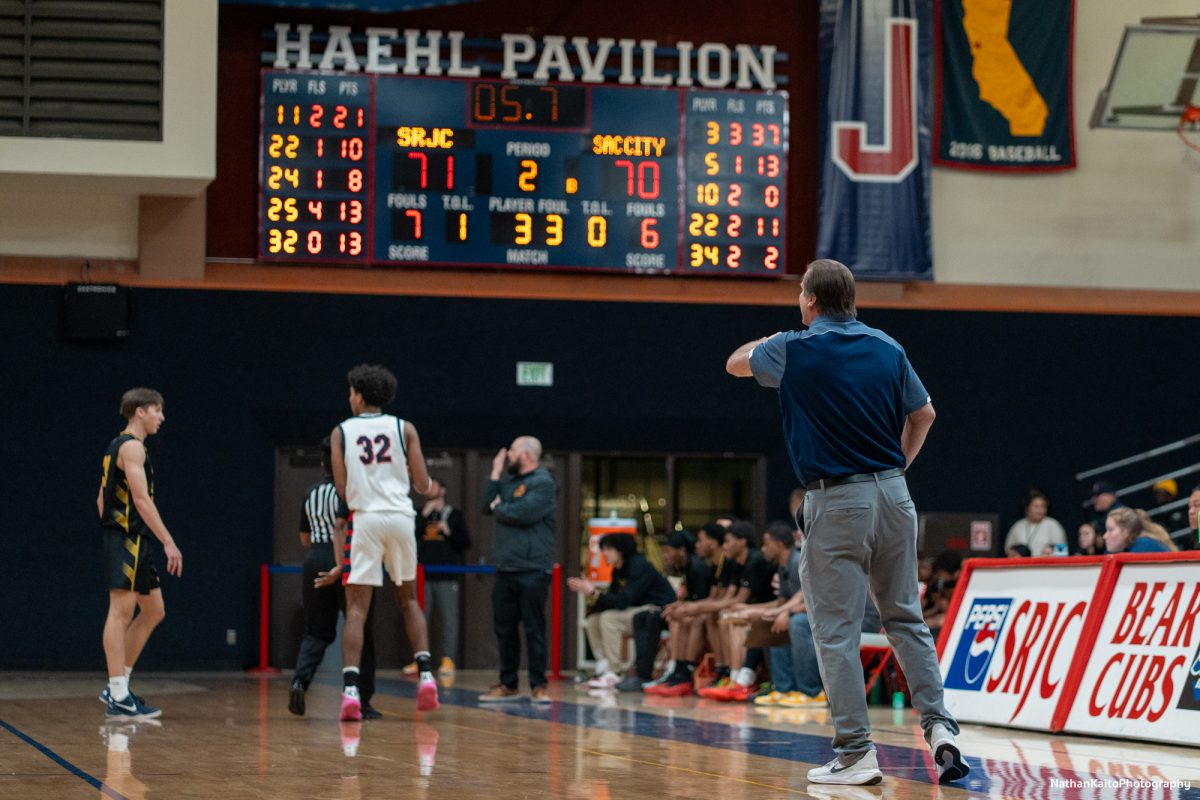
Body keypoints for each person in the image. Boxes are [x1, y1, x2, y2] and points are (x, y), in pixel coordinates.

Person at [726, 259, 968, 786]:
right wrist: (897, 467)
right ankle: (941, 728)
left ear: (810, 300)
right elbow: (924, 415)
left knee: (834, 632)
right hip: (895, 495)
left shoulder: (792, 347)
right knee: (906, 619)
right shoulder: (887, 346)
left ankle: (856, 753)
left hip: (837, 501)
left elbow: (734, 364)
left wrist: (767, 337)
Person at [331, 364, 438, 720]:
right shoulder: (404, 428)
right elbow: (423, 486)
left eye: (350, 392)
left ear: (359, 395)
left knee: (357, 609)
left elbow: (343, 490)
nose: (350, 398)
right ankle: (426, 676)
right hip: (400, 518)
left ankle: (349, 690)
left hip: (366, 518)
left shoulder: (341, 432)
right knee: (409, 601)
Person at [97, 388, 182, 719]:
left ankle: (119, 686)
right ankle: (117, 693)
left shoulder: (118, 447)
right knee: (120, 612)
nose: (162, 417)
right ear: (139, 411)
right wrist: (168, 541)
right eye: (157, 410)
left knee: (154, 610)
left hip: (133, 539)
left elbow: (100, 500)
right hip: (128, 538)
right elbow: (142, 500)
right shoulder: (132, 447)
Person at [289, 436, 379, 719]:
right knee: (359, 624)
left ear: (321, 465)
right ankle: (361, 699)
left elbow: (304, 537)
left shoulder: (310, 493)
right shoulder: (350, 491)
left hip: (315, 557)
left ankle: (299, 681)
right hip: (348, 559)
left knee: (316, 631)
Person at [479, 436, 558, 703]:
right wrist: (495, 472)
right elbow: (485, 505)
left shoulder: (544, 483)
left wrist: (500, 506)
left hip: (533, 569)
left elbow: (524, 513)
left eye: (511, 450)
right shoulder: (509, 482)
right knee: (505, 629)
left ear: (526, 454)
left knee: (534, 629)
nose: (507, 454)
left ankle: (539, 684)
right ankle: (508, 683)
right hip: (506, 568)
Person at [568, 533, 676, 692]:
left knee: (609, 618)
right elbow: (613, 599)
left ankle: (614, 670)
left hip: (655, 610)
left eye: (609, 549)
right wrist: (592, 603)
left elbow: (624, 600)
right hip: (636, 610)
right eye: (603, 549)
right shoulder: (618, 570)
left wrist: (593, 593)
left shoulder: (638, 565)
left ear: (621, 550)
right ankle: (603, 664)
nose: (605, 553)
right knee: (594, 620)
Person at [646, 523, 727, 696]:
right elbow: (703, 598)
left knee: (692, 619)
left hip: (713, 614)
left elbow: (709, 600)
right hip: (709, 610)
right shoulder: (696, 566)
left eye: (668, 550)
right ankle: (677, 668)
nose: (665, 555)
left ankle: (685, 670)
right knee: (675, 617)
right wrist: (680, 605)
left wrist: (687, 607)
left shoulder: (699, 566)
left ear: (681, 550)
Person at [414, 477, 471, 676]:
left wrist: (449, 532)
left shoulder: (454, 515)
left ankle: (448, 659)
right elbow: (410, 539)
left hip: (447, 574)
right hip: (423, 575)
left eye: (435, 486)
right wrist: (422, 517)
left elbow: (465, 543)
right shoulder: (421, 513)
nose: (431, 490)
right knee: (420, 617)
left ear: (443, 490)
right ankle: (419, 658)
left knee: (449, 618)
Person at [1003, 490, 1066, 557]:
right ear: (1027, 509)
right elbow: (1008, 550)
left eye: (1043, 506)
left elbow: (1062, 552)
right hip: (1022, 565)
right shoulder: (1017, 526)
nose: (1040, 510)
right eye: (1036, 507)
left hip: (1045, 565)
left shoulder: (1054, 525)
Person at [1103, 507, 1175, 553]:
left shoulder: (1144, 546)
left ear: (1126, 531)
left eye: (1110, 530)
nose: (1105, 536)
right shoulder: (1130, 546)